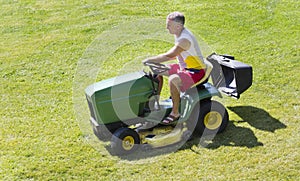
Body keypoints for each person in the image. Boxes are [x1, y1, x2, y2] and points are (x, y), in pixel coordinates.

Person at [143, 12, 206, 124]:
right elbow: (177, 55)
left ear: (178, 26)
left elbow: (170, 55)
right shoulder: (178, 33)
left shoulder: (184, 39)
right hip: (184, 67)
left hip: (195, 71)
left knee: (173, 80)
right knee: (157, 71)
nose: (166, 27)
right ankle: (155, 104)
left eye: (169, 25)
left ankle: (175, 113)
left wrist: (150, 60)